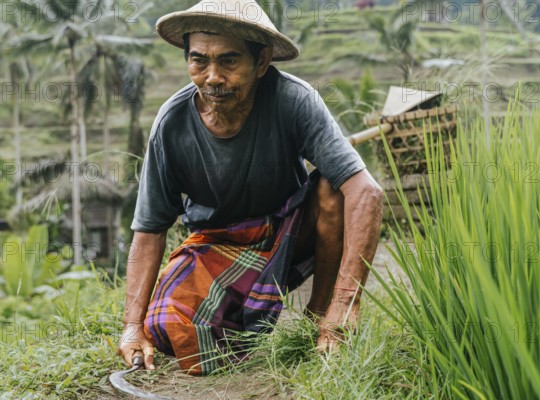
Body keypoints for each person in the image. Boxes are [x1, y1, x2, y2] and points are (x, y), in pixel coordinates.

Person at [117, 0, 383, 375]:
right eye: (199, 61)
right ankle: (246, 326)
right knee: (167, 326)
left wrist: (347, 303)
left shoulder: (294, 100)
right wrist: (132, 327)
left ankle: (320, 317)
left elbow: (365, 192)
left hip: (291, 231)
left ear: (261, 63)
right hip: (217, 242)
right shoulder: (172, 123)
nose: (212, 76)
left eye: (229, 61)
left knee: (332, 191)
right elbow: (149, 230)